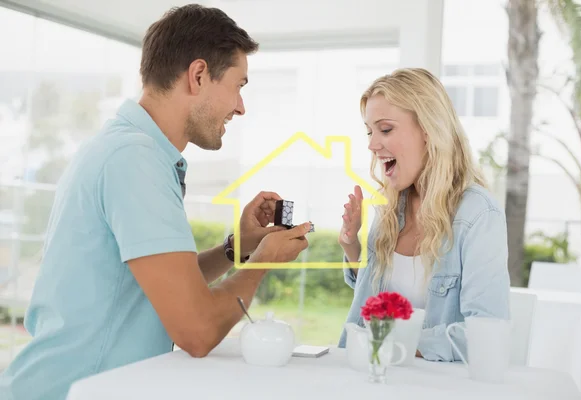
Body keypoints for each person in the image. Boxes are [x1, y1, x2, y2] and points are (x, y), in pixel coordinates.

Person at [0, 5, 311, 400]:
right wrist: (263, 262)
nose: (240, 107)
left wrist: (237, 249)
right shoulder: (136, 161)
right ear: (198, 76)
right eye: (239, 86)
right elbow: (197, 330)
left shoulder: (127, 149)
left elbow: (156, 285)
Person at [337, 68, 510, 362]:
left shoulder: (478, 215)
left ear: (429, 131)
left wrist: (397, 349)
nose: (371, 144)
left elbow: (486, 331)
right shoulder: (391, 209)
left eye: (386, 129)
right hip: (372, 376)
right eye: (369, 131)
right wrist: (350, 245)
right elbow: (372, 300)